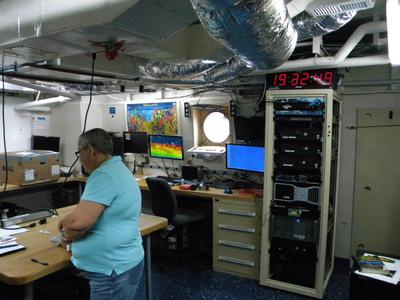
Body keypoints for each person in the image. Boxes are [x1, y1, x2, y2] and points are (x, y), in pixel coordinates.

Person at [58, 128, 144, 300]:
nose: (79, 157)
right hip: (123, 263)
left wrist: (63, 228)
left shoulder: (104, 175)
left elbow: (78, 223)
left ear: (90, 150)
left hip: (111, 270)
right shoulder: (117, 168)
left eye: (79, 152)